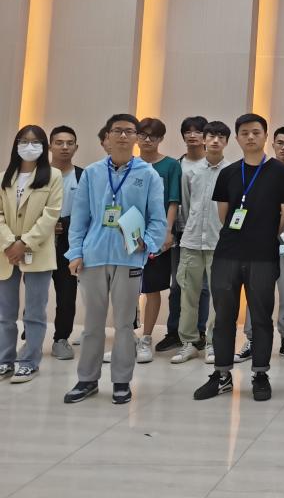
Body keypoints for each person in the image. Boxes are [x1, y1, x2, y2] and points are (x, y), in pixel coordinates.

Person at [63, 114, 167, 404]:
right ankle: (87, 379)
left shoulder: (148, 174)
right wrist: (75, 252)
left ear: (136, 138)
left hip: (129, 258)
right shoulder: (92, 173)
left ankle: (121, 380)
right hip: (93, 257)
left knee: (123, 324)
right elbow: (79, 218)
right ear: (107, 137)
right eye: (117, 131)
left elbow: (158, 219)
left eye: (129, 131)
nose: (123, 136)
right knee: (92, 324)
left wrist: (147, 245)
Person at [193, 114, 284, 402]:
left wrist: (264, 235)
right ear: (237, 138)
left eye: (256, 132)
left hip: (263, 255)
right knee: (224, 316)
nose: (250, 137)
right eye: (245, 133)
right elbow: (224, 215)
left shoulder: (281, 173)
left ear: (265, 136)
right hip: (228, 254)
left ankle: (260, 374)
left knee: (261, 316)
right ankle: (222, 375)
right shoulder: (228, 173)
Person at [0, 126, 62, 383]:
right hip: (6, 253)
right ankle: (4, 360)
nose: (29, 146)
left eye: (35, 142)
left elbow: (51, 214)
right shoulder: (4, 177)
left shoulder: (53, 176)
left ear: (44, 147)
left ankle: (29, 361)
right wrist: (9, 243)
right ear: (16, 145)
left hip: (37, 251)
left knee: (35, 312)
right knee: (5, 314)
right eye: (24, 141)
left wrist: (24, 243)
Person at [238, 126, 284, 364]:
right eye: (280, 143)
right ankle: (251, 338)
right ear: (272, 144)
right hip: (259, 243)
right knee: (255, 292)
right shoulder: (260, 172)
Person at [170, 121, 229, 365]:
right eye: (211, 136)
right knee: (188, 294)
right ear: (204, 140)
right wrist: (186, 233)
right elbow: (184, 206)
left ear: (227, 142)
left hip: (220, 243)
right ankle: (189, 343)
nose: (215, 141)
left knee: (219, 297)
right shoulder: (190, 172)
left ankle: (213, 343)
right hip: (191, 240)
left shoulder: (231, 172)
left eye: (220, 137)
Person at [159, 116, 210, 354]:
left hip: (204, 234)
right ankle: (174, 332)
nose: (192, 135)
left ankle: (199, 331)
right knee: (178, 284)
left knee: (203, 287)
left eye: (197, 131)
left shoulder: (210, 165)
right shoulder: (178, 165)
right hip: (179, 232)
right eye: (187, 132)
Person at [135, 118, 181, 364]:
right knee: (126, 288)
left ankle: (146, 337)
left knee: (152, 287)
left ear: (161, 138)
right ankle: (126, 336)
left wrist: (167, 231)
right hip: (128, 234)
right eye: (142, 135)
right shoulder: (129, 164)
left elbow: (173, 201)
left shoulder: (171, 166)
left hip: (155, 235)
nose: (147, 140)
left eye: (153, 136)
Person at [47, 126, 82, 360]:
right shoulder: (39, 174)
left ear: (76, 147)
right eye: (59, 143)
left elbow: (88, 211)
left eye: (70, 143)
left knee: (67, 294)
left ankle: (61, 338)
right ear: (50, 146)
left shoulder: (83, 176)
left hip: (69, 244)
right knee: (36, 293)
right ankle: (31, 336)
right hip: (39, 243)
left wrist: (65, 225)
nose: (65, 147)